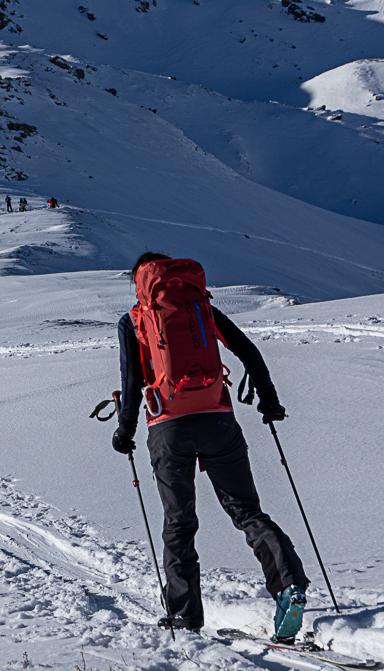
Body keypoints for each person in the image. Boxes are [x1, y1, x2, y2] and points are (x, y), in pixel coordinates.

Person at [111, 251, 310, 640]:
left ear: (140, 284)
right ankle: (289, 586)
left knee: (179, 523)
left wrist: (125, 430)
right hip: (218, 418)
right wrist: (268, 401)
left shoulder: (135, 320)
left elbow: (131, 380)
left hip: (168, 428)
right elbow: (248, 351)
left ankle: (185, 616)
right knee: (247, 512)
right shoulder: (199, 308)